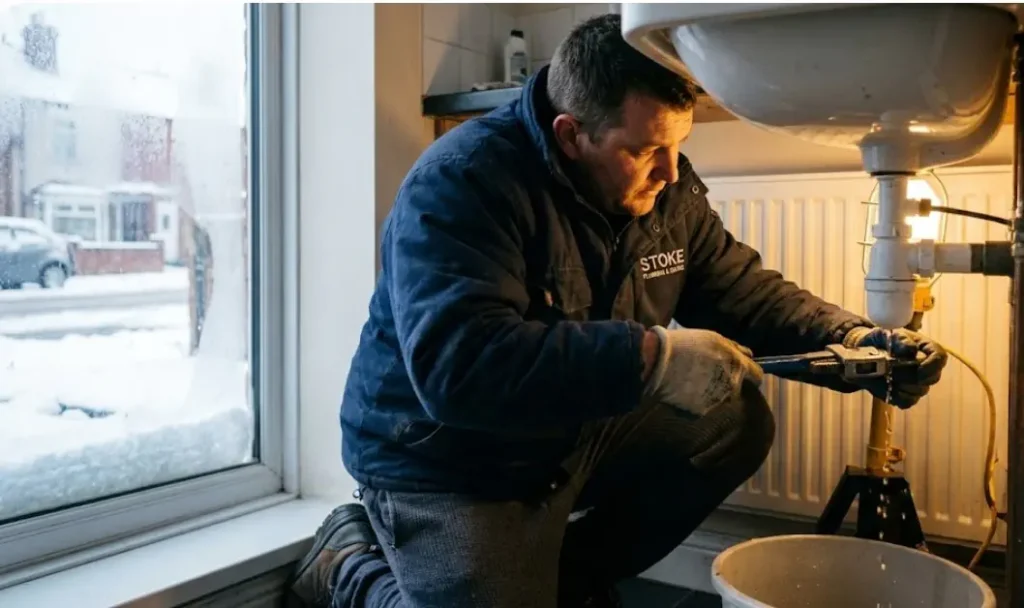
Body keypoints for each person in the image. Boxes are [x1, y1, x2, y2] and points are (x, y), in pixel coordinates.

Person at [288, 13, 947, 608]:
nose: (670, 172)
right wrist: (651, 359)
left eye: (677, 145)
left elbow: (737, 288)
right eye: (644, 150)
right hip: (448, 458)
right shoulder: (463, 181)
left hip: (561, 429)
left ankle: (564, 581)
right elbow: (461, 369)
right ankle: (349, 567)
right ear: (571, 135)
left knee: (735, 419)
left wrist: (852, 338)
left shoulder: (662, 191)